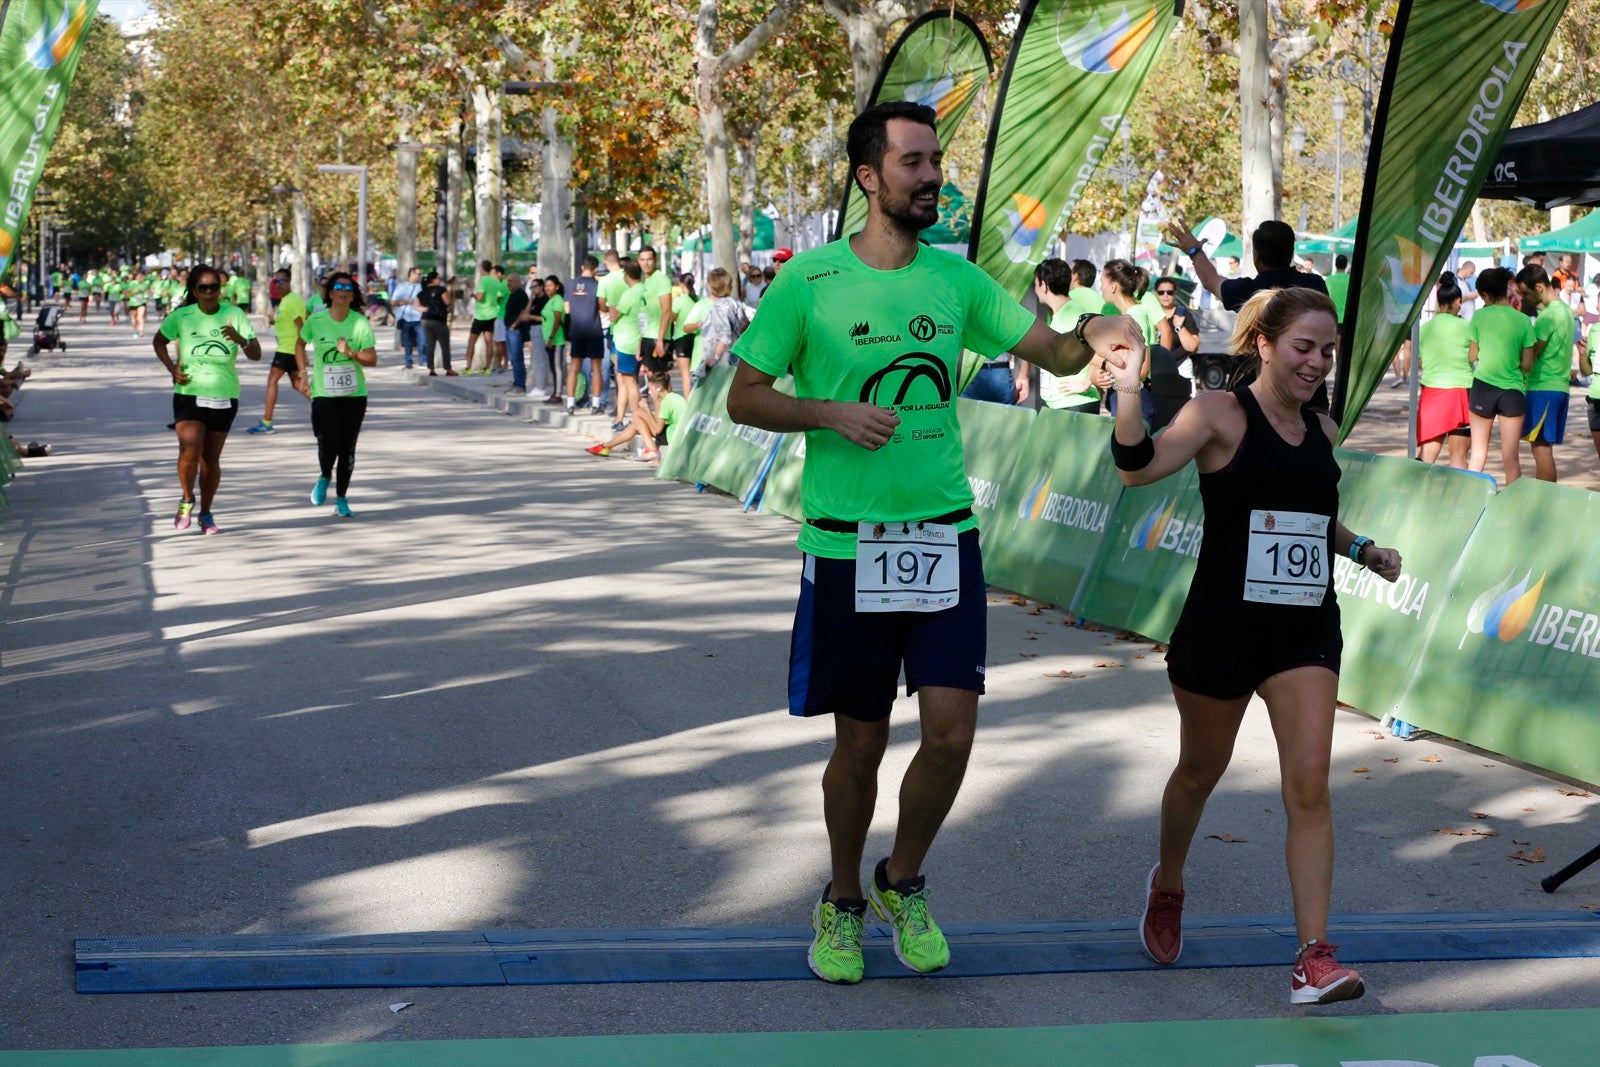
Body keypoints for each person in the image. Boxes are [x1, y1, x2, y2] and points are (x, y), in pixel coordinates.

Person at [724, 101, 1138, 986]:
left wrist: (1096, 334)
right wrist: (828, 411)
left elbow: (1058, 356)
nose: (932, 176)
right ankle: (839, 900)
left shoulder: (957, 282)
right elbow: (744, 394)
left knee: (951, 735)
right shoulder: (810, 282)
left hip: (944, 537)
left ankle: (899, 879)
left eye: (937, 160)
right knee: (861, 744)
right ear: (870, 176)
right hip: (846, 543)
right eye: (914, 161)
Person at [1109, 285, 1402, 1006]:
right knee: (1199, 772)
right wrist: (1124, 393)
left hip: (1304, 629)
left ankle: (1313, 957)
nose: (1317, 362)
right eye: (1304, 346)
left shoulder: (1324, 431)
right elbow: (1137, 466)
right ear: (1265, 344)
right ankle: (1169, 882)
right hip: (1222, 627)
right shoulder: (1218, 414)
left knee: (1308, 785)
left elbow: (1310, 516)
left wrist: (1362, 547)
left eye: (1327, 350)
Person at [1165, 218, 1331, 408]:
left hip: (1254, 395)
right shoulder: (1315, 286)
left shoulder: (1248, 291)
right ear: (1291, 252)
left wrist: (1194, 251)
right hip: (1309, 396)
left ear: (1256, 256)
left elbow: (1211, 280)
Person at [153, 265, 263, 534]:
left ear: (220, 289)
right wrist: (171, 368)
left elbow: (256, 354)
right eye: (203, 287)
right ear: (195, 291)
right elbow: (159, 341)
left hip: (224, 394)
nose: (210, 292)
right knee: (189, 448)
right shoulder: (182, 316)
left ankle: (206, 513)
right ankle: (187, 499)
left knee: (210, 459)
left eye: (214, 286)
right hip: (189, 392)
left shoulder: (234, 314)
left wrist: (241, 340)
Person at [294, 272, 378, 517]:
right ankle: (324, 476)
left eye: (348, 289)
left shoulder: (360, 323)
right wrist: (302, 374)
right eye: (338, 287)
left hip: (354, 396)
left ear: (353, 296)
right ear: (330, 293)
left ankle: (341, 498)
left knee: (347, 447)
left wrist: (352, 353)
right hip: (323, 394)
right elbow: (299, 345)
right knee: (328, 442)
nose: (343, 291)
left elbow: (372, 359)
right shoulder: (317, 320)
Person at [1466, 267, 1535, 483]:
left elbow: (1472, 356)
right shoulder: (1523, 320)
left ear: (1485, 295)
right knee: (1510, 458)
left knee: (1477, 454)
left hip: (1483, 388)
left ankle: (1471, 505)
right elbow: (1527, 363)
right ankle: (1513, 511)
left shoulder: (1479, 317)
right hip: (1512, 391)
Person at [1516, 264, 1577, 483]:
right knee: (1543, 448)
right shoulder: (1565, 310)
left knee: (1541, 451)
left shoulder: (1548, 317)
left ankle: (1544, 500)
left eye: (1526, 292)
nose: (1524, 297)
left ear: (1539, 287)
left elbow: (1530, 356)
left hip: (1543, 388)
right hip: (1558, 387)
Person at [1417, 274, 1473, 468]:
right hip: (1460, 392)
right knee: (1459, 458)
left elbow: (1419, 362)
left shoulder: (1425, 329)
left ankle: (1417, 495)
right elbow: (1474, 356)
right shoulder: (1467, 326)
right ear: (1458, 301)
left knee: (1426, 457)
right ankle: (1462, 498)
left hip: (1432, 393)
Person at [1034, 258, 1101, 414]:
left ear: (1044, 286)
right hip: (1062, 404)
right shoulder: (1061, 313)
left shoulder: (1073, 313)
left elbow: (1099, 349)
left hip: (1074, 404)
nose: (1035, 289)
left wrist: (1085, 383)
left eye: (1036, 284)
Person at [246, 277, 308, 435]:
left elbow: (301, 325)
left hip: (288, 349)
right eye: (276, 282)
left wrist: (302, 350)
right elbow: (289, 321)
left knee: (272, 380)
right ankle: (328, 409)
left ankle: (267, 422)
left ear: (289, 282)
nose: (279, 285)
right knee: (298, 385)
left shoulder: (291, 301)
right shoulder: (285, 301)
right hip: (289, 348)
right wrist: (273, 322)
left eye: (282, 281)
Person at [583, 370, 685, 460]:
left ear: (658, 388)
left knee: (637, 413)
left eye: (650, 389)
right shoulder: (674, 397)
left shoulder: (666, 402)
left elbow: (657, 430)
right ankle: (605, 447)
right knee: (636, 422)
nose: (649, 392)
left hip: (673, 436)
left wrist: (646, 409)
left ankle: (651, 449)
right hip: (678, 432)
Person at [563, 256, 606, 416]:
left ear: (582, 267)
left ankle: (570, 404)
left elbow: (567, 309)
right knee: (596, 369)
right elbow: (602, 306)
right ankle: (595, 404)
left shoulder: (571, 284)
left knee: (574, 367)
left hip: (577, 330)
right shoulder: (597, 285)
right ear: (595, 269)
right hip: (594, 329)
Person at [608, 262, 647, 430]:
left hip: (627, 343)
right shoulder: (645, 290)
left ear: (626, 275)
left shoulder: (630, 294)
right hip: (638, 340)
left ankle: (635, 418)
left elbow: (613, 316)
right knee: (624, 381)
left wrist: (612, 307)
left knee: (630, 382)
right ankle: (619, 418)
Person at [695, 267, 749, 380]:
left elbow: (725, 337)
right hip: (736, 359)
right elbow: (752, 318)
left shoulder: (718, 307)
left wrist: (715, 357)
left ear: (710, 286)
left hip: (722, 364)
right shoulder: (736, 303)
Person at [637, 246, 672, 373]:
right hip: (646, 335)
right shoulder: (644, 281)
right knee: (652, 379)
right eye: (642, 260)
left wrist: (660, 340)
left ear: (655, 260)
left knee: (660, 379)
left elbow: (667, 310)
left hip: (657, 336)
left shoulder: (661, 280)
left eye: (649, 259)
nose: (645, 263)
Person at [467, 259, 506, 374]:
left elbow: (480, 298)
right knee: (489, 342)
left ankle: (468, 367)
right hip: (493, 314)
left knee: (471, 342)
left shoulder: (482, 281)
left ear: (482, 268)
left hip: (481, 315)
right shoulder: (496, 281)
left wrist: (473, 295)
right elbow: (499, 297)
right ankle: (487, 367)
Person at [416, 270, 455, 375]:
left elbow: (416, 305)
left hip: (425, 320)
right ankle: (448, 369)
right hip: (439, 320)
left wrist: (425, 309)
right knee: (444, 345)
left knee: (430, 345)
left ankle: (431, 369)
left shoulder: (422, 292)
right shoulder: (441, 290)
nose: (440, 280)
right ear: (433, 279)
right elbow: (447, 302)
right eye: (438, 278)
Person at [667, 273, 697, 395]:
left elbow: (672, 317)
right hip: (696, 337)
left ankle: (688, 402)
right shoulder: (698, 299)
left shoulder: (679, 300)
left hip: (681, 338)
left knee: (685, 374)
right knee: (695, 372)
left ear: (681, 285)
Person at [391, 267, 424, 370]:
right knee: (407, 341)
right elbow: (393, 302)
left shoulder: (421, 287)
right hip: (405, 318)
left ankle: (423, 360)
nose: (419, 276)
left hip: (419, 317)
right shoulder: (401, 287)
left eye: (420, 274)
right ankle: (408, 362)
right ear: (411, 274)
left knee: (422, 340)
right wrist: (406, 301)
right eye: (417, 274)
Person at [541, 276, 567, 402]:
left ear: (557, 286)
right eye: (546, 285)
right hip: (549, 339)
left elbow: (557, 320)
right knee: (552, 367)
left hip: (557, 339)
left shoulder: (558, 300)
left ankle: (558, 395)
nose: (547, 288)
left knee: (557, 367)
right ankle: (555, 393)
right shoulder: (550, 300)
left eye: (550, 285)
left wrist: (551, 338)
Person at [1324, 255, 1351, 324]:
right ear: (1346, 265)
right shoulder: (1350, 280)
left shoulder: (1329, 280)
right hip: (1347, 318)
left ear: (1335, 265)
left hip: (1332, 317)